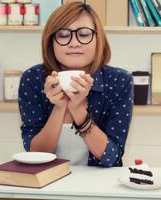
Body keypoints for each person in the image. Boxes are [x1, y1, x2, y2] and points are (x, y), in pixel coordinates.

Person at [18, 2, 133, 167]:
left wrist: (77, 110)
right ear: (51, 41)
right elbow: (35, 155)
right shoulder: (33, 79)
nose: (74, 43)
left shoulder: (119, 81)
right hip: (46, 184)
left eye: (84, 34)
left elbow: (111, 158)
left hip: (98, 186)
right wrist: (59, 107)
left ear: (98, 39)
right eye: (63, 35)